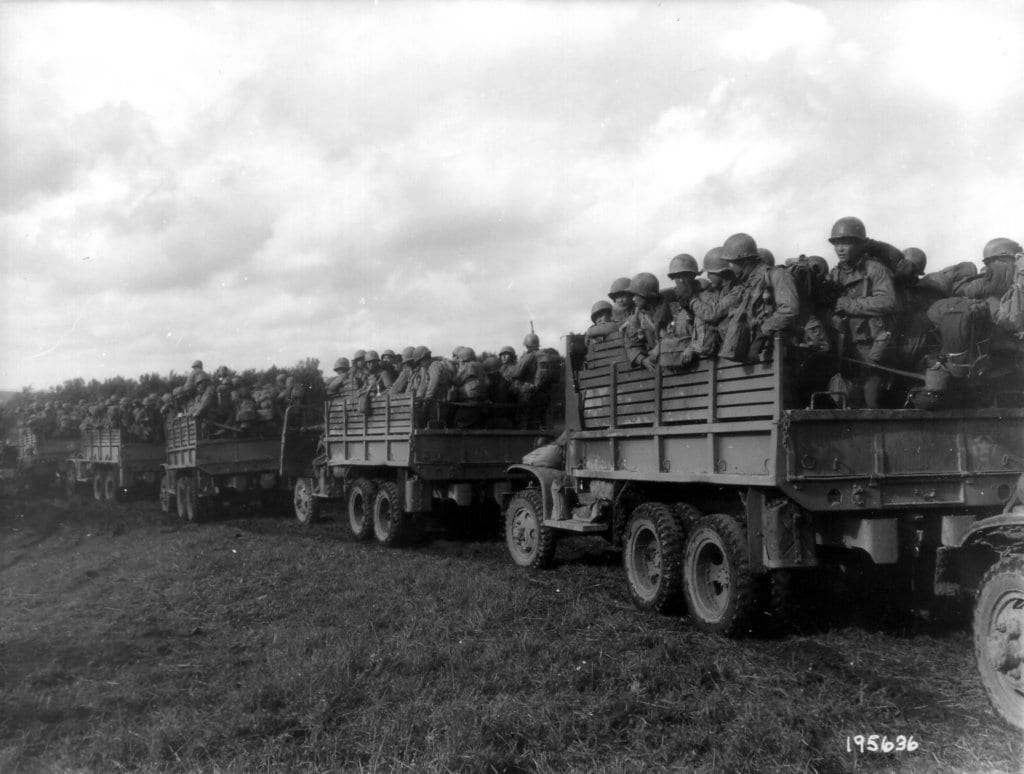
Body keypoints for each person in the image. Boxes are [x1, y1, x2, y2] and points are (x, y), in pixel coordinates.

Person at [823, 217, 897, 407]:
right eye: (836, 243)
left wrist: (850, 305)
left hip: (871, 346)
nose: (839, 248)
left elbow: (888, 301)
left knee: (872, 402)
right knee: (847, 401)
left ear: (859, 244)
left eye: (845, 243)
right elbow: (828, 307)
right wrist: (833, 319)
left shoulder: (875, 269)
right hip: (846, 345)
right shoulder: (835, 274)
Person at [689, 247, 743, 357]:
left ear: (721, 273)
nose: (708, 276)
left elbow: (712, 314)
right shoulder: (721, 292)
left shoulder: (736, 291)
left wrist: (692, 301)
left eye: (710, 273)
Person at [622, 272, 672, 371]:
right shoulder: (637, 318)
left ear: (646, 295)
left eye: (636, 295)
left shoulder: (671, 311)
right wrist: (642, 360)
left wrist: (659, 348)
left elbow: (679, 336)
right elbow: (631, 344)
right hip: (655, 367)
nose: (633, 299)